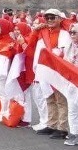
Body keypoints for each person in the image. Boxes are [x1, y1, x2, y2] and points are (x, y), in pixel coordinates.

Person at [30, 8, 72, 138]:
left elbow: (65, 52)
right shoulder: (42, 32)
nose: (49, 20)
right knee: (49, 97)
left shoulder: (65, 34)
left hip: (57, 69)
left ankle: (62, 127)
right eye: (47, 18)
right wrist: (35, 30)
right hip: (45, 68)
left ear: (60, 19)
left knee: (60, 99)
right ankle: (52, 124)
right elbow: (30, 45)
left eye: (52, 17)